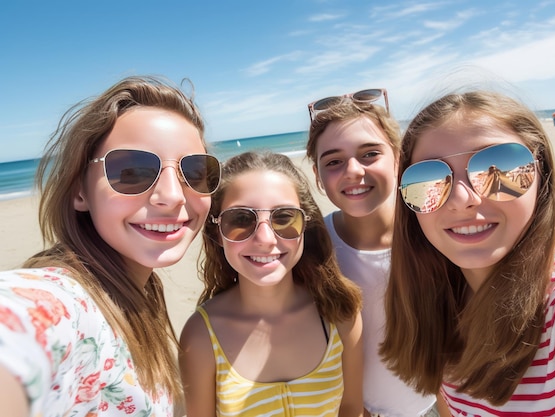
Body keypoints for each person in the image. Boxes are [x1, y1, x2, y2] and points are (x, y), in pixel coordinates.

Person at [380, 90, 555, 415]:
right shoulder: (437, 307)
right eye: (428, 179)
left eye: (498, 166)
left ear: (542, 174)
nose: (461, 198)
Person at [0, 75, 222, 416]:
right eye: (132, 171)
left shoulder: (139, 291)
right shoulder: (67, 301)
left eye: (195, 171)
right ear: (79, 192)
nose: (173, 196)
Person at [179, 151, 364, 417]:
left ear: (305, 225)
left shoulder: (340, 313)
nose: (265, 239)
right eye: (241, 219)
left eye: (284, 217)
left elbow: (351, 409)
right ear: (217, 232)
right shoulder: (200, 337)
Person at [306, 89, 441, 417]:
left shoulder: (435, 229)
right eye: (334, 161)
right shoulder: (309, 247)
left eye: (369, 154)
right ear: (318, 177)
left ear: (397, 159)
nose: (352, 171)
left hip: (438, 404)